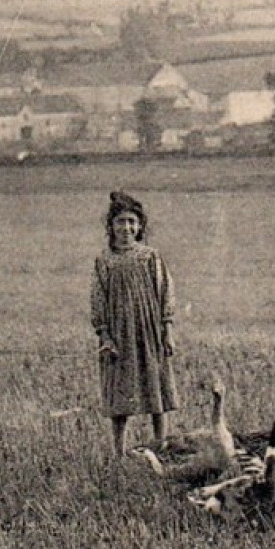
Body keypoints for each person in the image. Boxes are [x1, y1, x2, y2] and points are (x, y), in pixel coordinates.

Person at [90, 190, 179, 456]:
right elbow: (98, 298)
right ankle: (119, 452)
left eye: (132, 222)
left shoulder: (150, 257)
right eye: (120, 222)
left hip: (150, 331)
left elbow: (166, 292)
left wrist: (167, 329)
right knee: (120, 391)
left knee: (156, 388)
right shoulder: (104, 261)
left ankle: (160, 447)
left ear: (140, 226)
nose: (126, 228)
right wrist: (105, 335)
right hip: (119, 334)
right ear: (111, 226)